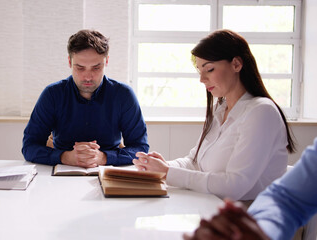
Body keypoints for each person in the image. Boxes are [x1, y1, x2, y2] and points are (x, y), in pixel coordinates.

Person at [133, 29, 295, 201]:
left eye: (209, 69)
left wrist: (168, 173)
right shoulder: (220, 110)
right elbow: (194, 162)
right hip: (217, 208)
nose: (202, 79)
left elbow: (234, 186)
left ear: (236, 64)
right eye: (199, 71)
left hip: (251, 217)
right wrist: (162, 166)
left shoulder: (261, 112)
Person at [22, 29, 149, 168]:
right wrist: (66, 157)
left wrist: (104, 157)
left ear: (106, 61)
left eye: (96, 68)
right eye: (80, 68)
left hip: (109, 172)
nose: (88, 77)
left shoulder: (124, 95)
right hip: (61, 172)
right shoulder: (52, 94)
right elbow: (29, 147)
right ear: (70, 62)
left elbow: (140, 148)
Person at [184, 137, 317, 240]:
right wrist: (257, 231)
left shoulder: (263, 112)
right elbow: (287, 199)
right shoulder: (218, 113)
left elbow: (233, 185)